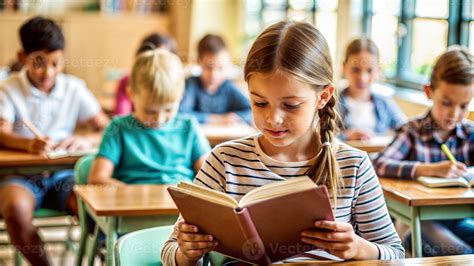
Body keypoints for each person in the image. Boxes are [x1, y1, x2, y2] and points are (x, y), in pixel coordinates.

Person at [162, 21, 404, 265]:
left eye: (290, 105)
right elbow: (170, 252)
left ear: (323, 96)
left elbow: (395, 253)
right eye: (260, 103)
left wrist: (358, 248)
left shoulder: (354, 166)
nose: (273, 119)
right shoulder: (224, 161)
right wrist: (186, 253)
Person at [0, 16, 109, 265]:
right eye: (38, 63)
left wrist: (85, 140)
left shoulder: (74, 88)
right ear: (21, 58)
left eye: (55, 63)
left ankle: (106, 256)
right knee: (16, 209)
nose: (47, 72)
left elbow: (107, 129)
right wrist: (28, 145)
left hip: (64, 176)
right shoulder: (7, 89)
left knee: (92, 205)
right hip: (19, 177)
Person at [374, 46, 473, 256]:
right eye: (446, 103)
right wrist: (429, 169)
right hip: (417, 222)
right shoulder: (413, 131)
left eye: (464, 106)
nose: (454, 114)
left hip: (458, 219)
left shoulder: (469, 134)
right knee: (463, 254)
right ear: (429, 92)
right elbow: (379, 164)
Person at [88, 48, 210, 185]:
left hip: (180, 203)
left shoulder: (189, 127)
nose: (159, 119)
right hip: (133, 203)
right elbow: (97, 179)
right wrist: (131, 195)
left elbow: (210, 177)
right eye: (150, 111)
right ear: (131, 95)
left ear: (181, 95)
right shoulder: (118, 128)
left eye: (168, 110)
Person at [338, 38, 406, 140]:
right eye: (355, 69)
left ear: (378, 70)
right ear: (344, 67)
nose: (362, 78)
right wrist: (345, 136)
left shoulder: (385, 103)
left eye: (369, 70)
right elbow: (318, 136)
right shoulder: (332, 103)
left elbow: (407, 130)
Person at [178, 34, 252, 125]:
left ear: (228, 65)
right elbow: (182, 114)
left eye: (220, 68)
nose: (214, 75)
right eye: (209, 67)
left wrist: (235, 117)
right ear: (198, 62)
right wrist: (218, 119)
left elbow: (251, 110)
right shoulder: (191, 85)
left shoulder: (228, 87)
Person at [113, 32, 177, 116]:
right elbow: (121, 112)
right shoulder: (127, 81)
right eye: (150, 57)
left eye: (162, 57)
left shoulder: (176, 84)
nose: (155, 62)